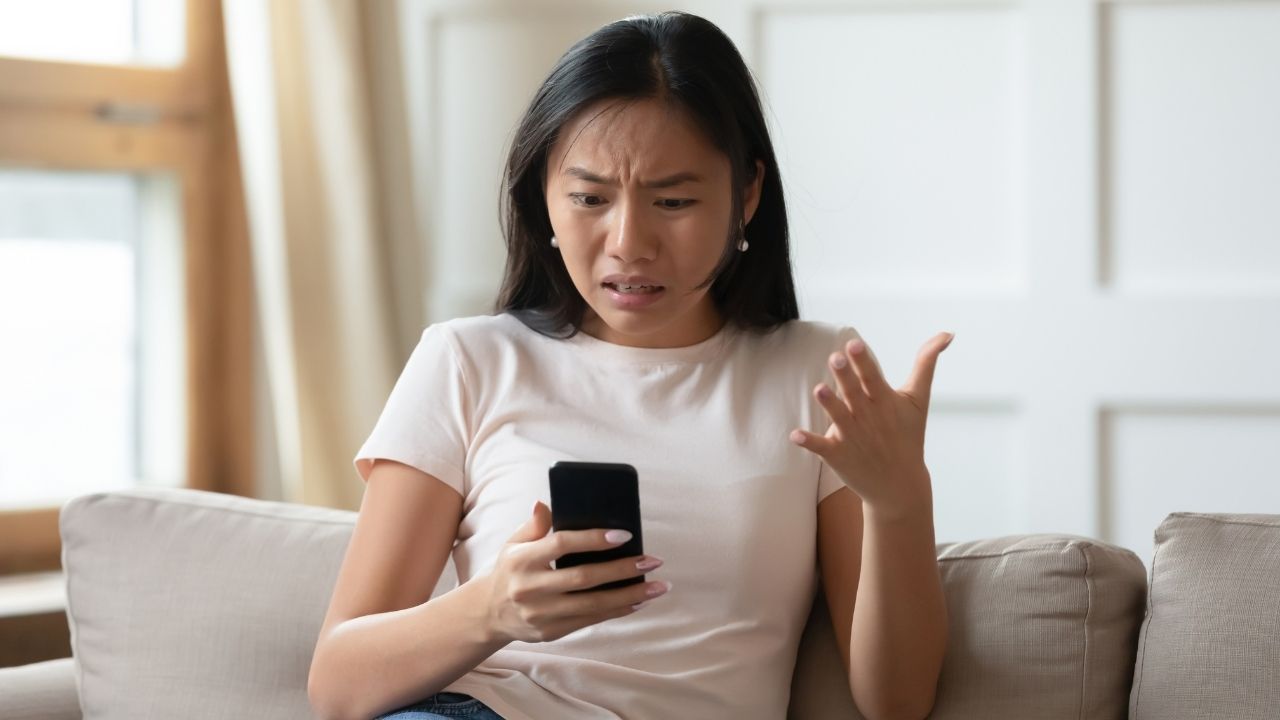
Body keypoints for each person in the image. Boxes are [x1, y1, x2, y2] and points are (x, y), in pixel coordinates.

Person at [307, 11, 951, 720]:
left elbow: (898, 703)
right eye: (589, 199)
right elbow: (338, 683)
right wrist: (492, 609)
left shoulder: (814, 371)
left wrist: (900, 501)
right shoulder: (467, 361)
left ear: (746, 195)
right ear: (543, 200)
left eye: (674, 201)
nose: (629, 243)